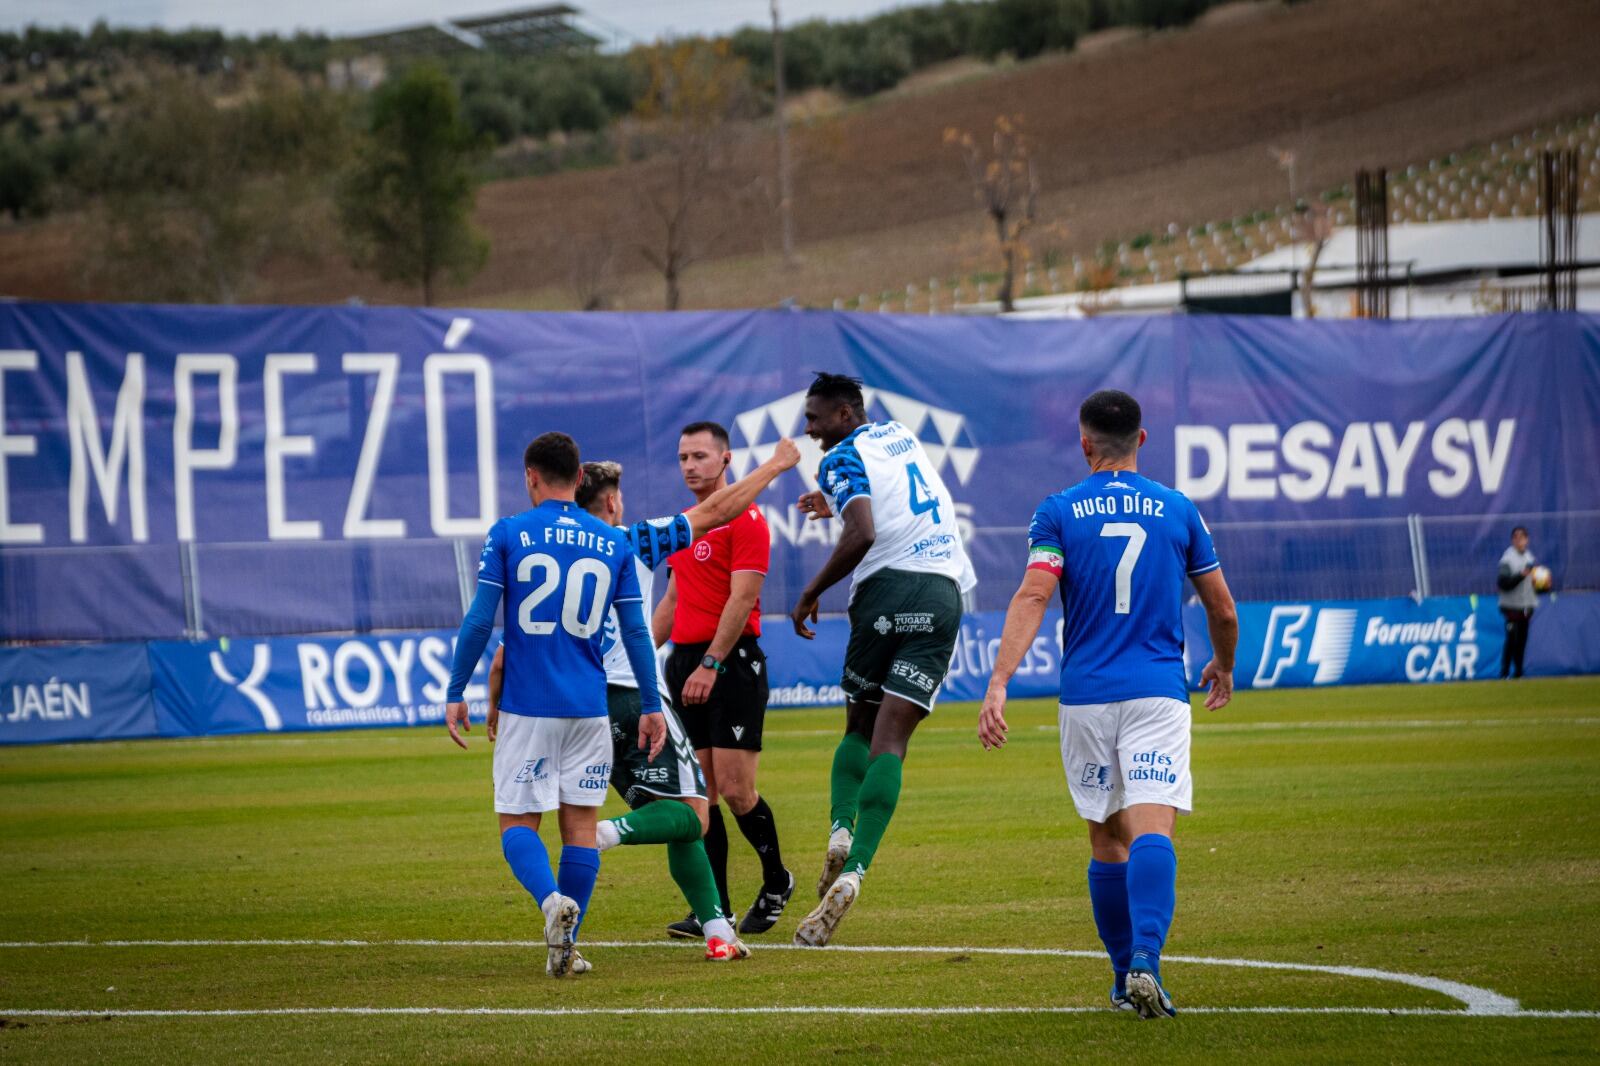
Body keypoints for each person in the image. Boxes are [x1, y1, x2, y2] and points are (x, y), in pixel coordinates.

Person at [485, 440, 801, 963]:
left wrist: (494, 703)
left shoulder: (539, 548)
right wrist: (775, 465)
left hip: (571, 702)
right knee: (692, 814)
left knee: (672, 809)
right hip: (634, 697)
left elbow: (502, 654)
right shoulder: (632, 541)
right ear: (611, 502)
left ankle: (717, 930)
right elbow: (717, 511)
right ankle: (606, 833)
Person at [978, 389, 1238, 1020]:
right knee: (1153, 828)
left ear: (1084, 443)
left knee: (1106, 838)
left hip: (1086, 698)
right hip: (1156, 692)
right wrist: (1224, 664)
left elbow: (1033, 596)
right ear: (1142, 439)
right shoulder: (1178, 509)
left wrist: (999, 681)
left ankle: (1123, 977)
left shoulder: (1057, 511)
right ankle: (1148, 957)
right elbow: (1223, 608)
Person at [445, 432, 666, 980]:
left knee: (517, 823)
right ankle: (565, 949)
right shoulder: (612, 541)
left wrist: (456, 690)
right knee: (581, 829)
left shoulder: (509, 532)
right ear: (579, 478)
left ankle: (550, 902)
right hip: (590, 709)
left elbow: (480, 619)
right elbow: (637, 631)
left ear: (531, 476)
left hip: (529, 705)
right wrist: (651, 703)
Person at [788, 372, 976, 947]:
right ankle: (855, 872)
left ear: (845, 414)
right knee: (891, 742)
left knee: (858, 727)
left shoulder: (839, 457)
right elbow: (897, 489)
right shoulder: (900, 434)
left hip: (885, 590)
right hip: (941, 591)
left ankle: (840, 830)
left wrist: (810, 591)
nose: (809, 429)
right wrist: (832, 498)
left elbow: (863, 532)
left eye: (816, 417)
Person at [653, 421, 793, 939]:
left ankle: (777, 880)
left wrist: (711, 664)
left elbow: (743, 598)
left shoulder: (747, 519)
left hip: (730, 664)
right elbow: (672, 600)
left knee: (735, 789)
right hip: (684, 662)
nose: (690, 466)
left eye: (700, 456)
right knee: (701, 795)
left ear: (726, 460)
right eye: (682, 457)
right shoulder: (685, 525)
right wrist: (636, 656)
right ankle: (715, 911)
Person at [1497, 525, 1538, 679]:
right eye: (1516, 537)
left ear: (1527, 540)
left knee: (1522, 640)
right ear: (1512, 540)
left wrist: (1542, 585)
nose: (1519, 540)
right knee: (1512, 639)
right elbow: (1503, 583)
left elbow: (1531, 583)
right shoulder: (1507, 559)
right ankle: (1504, 672)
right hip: (1511, 607)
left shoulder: (1529, 557)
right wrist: (1521, 575)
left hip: (1526, 606)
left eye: (1522, 537)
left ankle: (1519, 673)